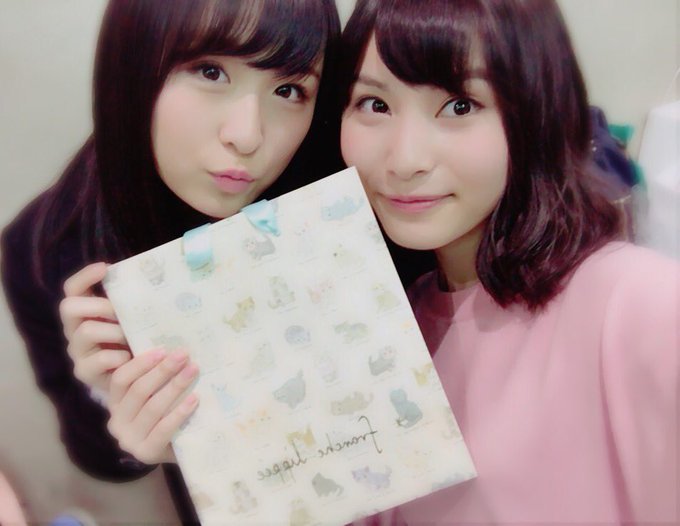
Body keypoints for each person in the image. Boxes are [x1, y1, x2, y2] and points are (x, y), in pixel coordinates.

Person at [338, 0, 679, 524]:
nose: (405, 161)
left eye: (459, 105)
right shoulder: (388, 324)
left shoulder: (640, 305)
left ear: (535, 113)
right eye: (375, 104)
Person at [1, 0, 341, 523]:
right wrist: (115, 407)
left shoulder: (335, 189)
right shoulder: (48, 247)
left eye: (288, 90)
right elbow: (105, 462)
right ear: (131, 65)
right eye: (210, 71)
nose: (248, 135)